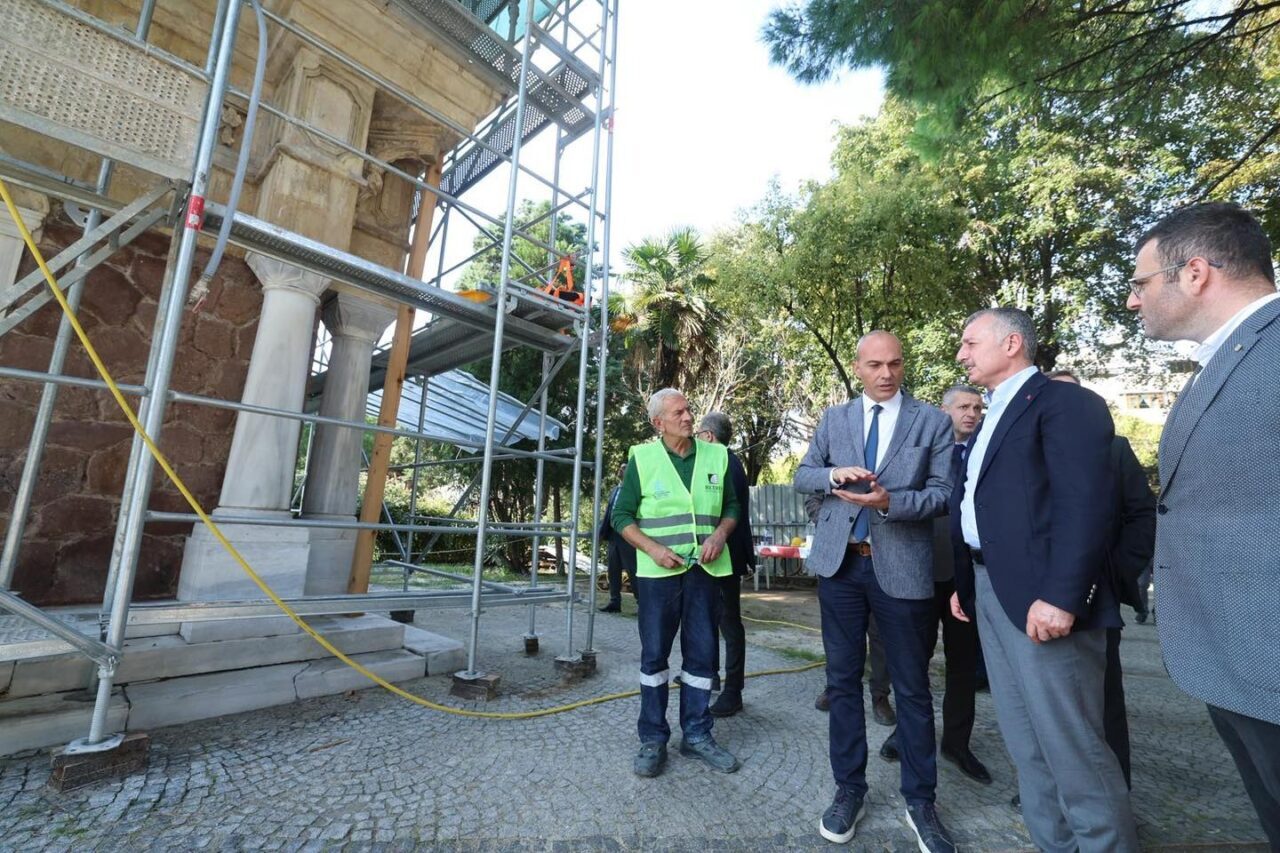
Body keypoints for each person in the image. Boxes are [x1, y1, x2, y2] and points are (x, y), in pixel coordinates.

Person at [950, 307, 1139, 852]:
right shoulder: (992, 416)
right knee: (1028, 746)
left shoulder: (1066, 404)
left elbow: (1087, 505)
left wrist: (1061, 596)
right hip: (991, 593)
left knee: (1073, 748)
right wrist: (970, 586)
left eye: (969, 342)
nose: (961, 354)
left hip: (1043, 603)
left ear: (1011, 344)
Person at [1126, 201, 1280, 846]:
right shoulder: (1231, 355)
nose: (1133, 301)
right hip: (1233, 657)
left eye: (1140, 282)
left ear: (1194, 273)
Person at [794, 331, 957, 851]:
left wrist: (889, 502)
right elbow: (803, 477)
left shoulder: (931, 420)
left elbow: (943, 494)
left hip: (903, 570)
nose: (885, 374)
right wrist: (831, 478)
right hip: (840, 568)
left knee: (911, 687)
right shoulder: (834, 419)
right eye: (874, 365)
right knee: (842, 683)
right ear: (857, 367)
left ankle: (920, 800)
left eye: (894, 364)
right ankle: (849, 789)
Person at [612, 388, 741, 778]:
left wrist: (720, 535)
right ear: (658, 423)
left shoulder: (717, 455)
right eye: (679, 412)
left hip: (704, 573)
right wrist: (652, 549)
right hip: (657, 577)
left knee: (702, 657)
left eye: (688, 410)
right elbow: (621, 516)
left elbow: (733, 506)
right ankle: (653, 738)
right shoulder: (643, 458)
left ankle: (697, 734)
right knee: (654, 658)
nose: (688, 417)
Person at [1047, 368, 1156, 790]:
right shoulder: (1026, 451)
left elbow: (1142, 515)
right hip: (1034, 597)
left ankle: (1114, 792)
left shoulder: (1114, 449)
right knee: (1047, 700)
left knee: (1103, 699)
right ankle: (1055, 787)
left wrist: (1114, 572)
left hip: (1097, 595)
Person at [880, 385, 991, 786]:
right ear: (942, 412)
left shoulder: (986, 449)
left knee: (963, 664)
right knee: (912, 659)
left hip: (966, 576)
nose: (972, 413)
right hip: (919, 571)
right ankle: (906, 731)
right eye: (963, 406)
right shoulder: (919, 448)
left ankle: (957, 743)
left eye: (978, 406)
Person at [694, 412, 755, 717]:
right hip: (715, 557)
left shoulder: (723, 464)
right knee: (713, 619)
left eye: (698, 433)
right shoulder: (724, 461)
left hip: (726, 556)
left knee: (729, 623)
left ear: (708, 436)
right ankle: (712, 675)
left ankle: (733, 691)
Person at [598, 465, 636, 613]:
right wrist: (602, 531)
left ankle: (641, 603)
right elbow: (609, 511)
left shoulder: (634, 489)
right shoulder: (615, 490)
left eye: (625, 467)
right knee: (613, 570)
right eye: (620, 468)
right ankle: (614, 602)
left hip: (628, 534)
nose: (621, 470)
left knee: (632, 569)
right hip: (613, 535)